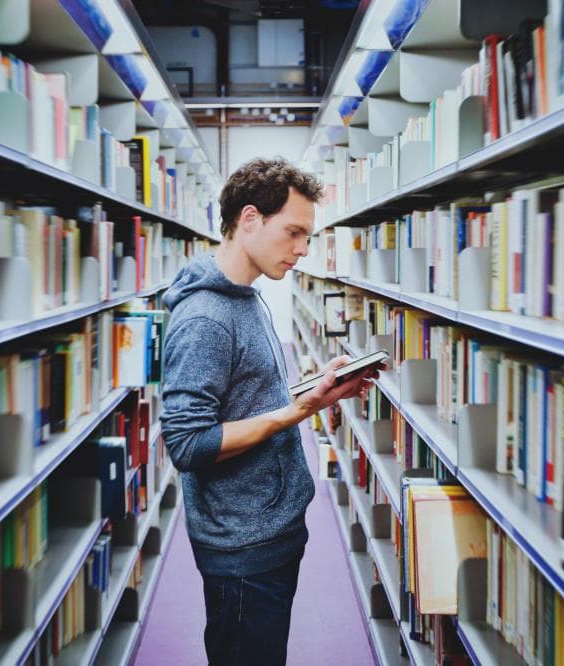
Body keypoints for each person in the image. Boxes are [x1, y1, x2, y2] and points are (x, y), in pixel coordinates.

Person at [158, 157, 382, 665]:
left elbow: (249, 395)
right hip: (241, 545)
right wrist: (299, 411)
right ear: (251, 219)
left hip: (270, 526)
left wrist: (317, 388)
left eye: (309, 236)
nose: (303, 250)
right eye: (294, 233)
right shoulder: (205, 319)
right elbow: (189, 445)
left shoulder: (247, 295)